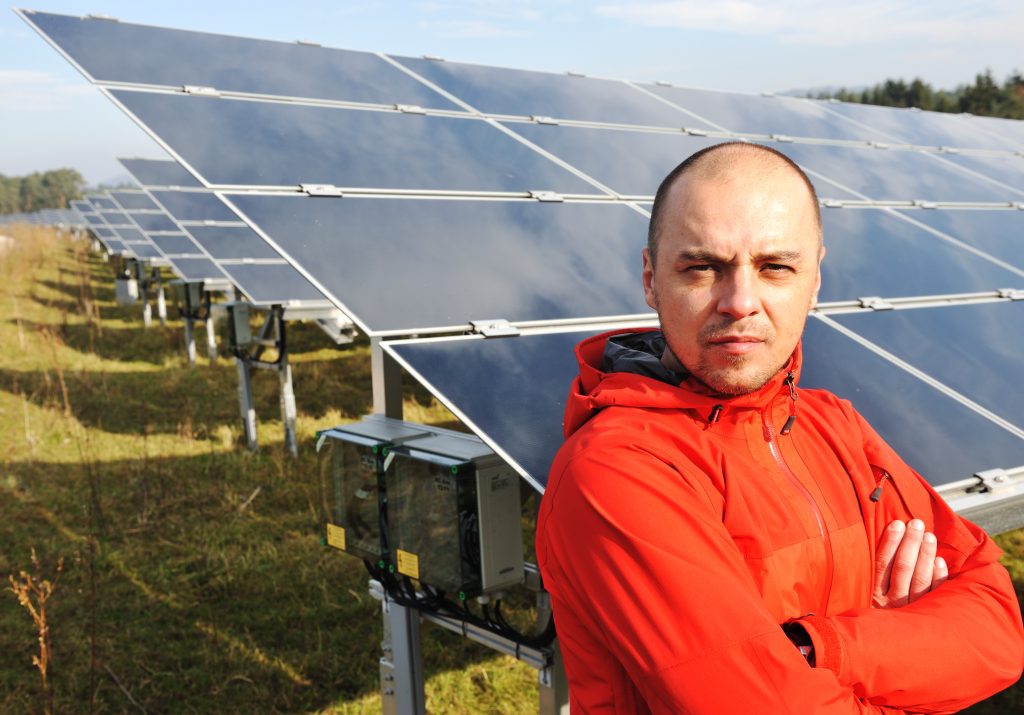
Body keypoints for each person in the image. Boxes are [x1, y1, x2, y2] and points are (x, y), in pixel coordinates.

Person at [535, 142, 1024, 713]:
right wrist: (913, 655)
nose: (740, 301)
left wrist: (820, 650)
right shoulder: (616, 472)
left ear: (814, 279)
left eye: (775, 267)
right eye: (702, 267)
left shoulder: (832, 422)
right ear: (650, 278)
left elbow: (998, 628)